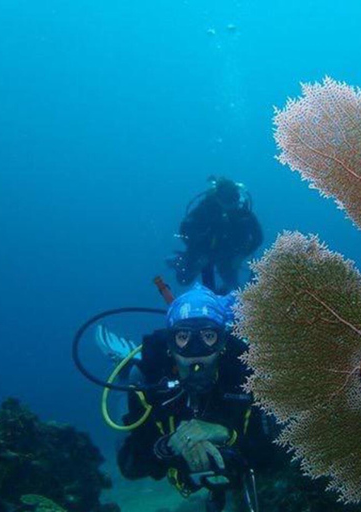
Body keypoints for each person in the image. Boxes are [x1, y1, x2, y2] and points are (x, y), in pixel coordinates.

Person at [116, 283, 268, 512]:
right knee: (129, 379)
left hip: (237, 466)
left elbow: (270, 454)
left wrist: (226, 434)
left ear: (223, 344)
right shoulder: (148, 380)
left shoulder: (246, 373)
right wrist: (168, 446)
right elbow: (130, 465)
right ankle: (120, 363)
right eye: (183, 337)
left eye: (208, 336)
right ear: (170, 345)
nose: (196, 351)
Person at [168, 176, 263, 294]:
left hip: (229, 255)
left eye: (234, 199)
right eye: (227, 200)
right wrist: (198, 249)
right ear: (218, 198)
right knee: (184, 279)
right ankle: (181, 260)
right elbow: (185, 229)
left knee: (233, 285)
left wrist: (242, 255)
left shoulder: (243, 213)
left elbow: (258, 237)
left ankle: (224, 298)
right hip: (205, 250)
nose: (231, 205)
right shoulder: (205, 209)